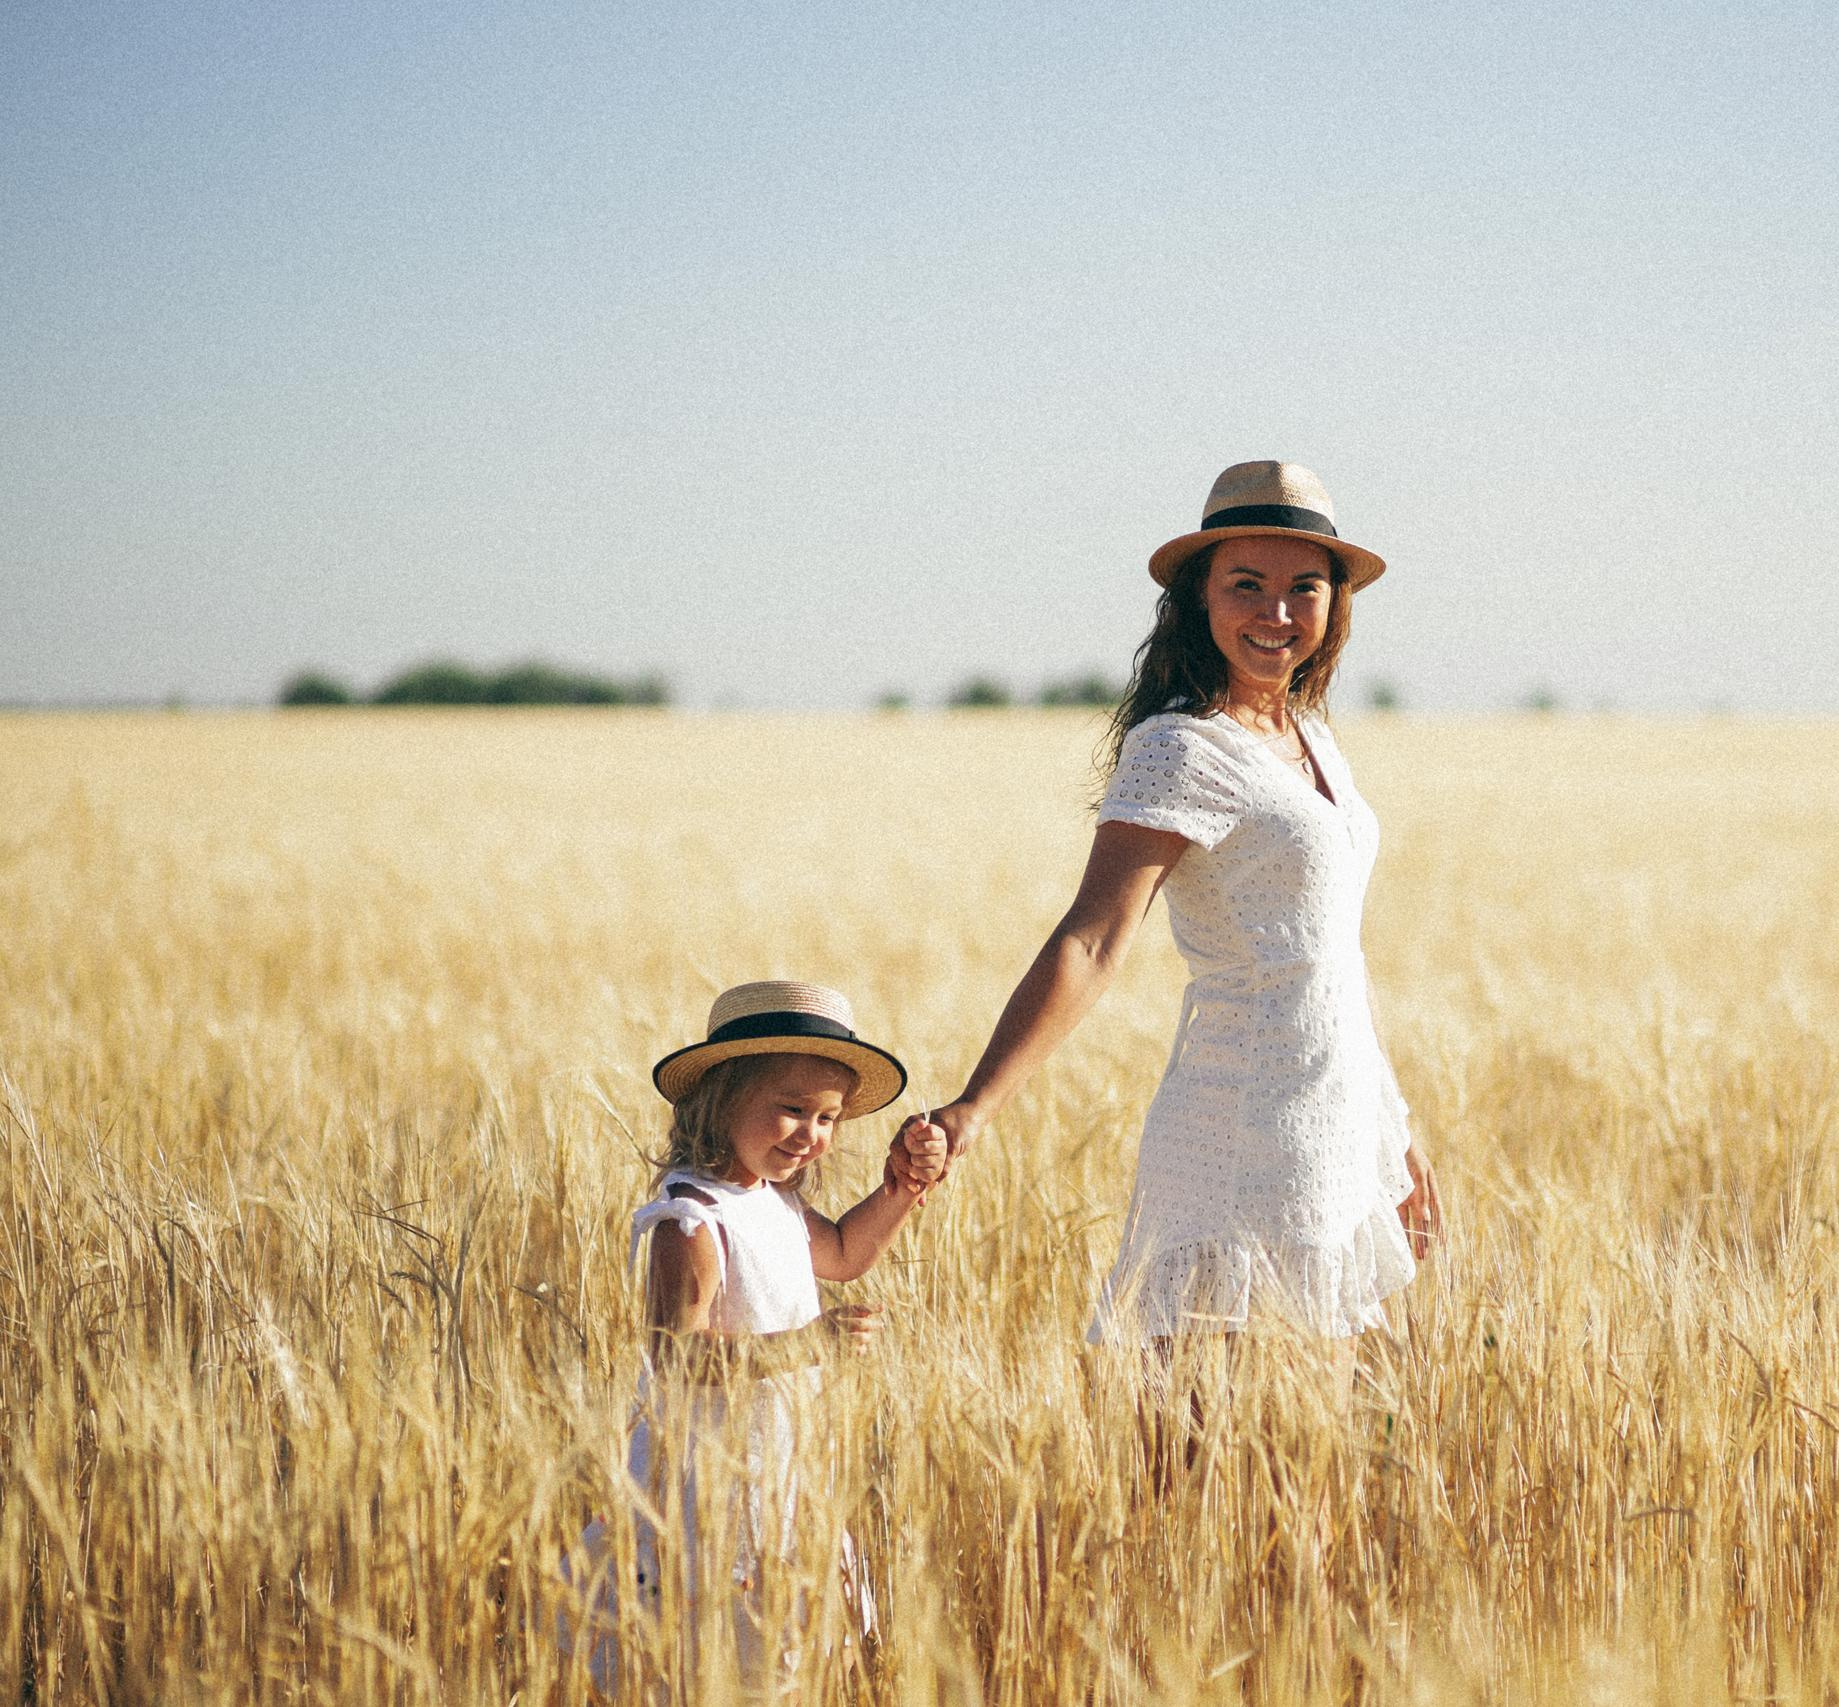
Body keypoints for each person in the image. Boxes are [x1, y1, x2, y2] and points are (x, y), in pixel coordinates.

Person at [894, 460, 1439, 1345]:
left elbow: (1337, 953)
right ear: (1198, 598)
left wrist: (1395, 1129)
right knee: (1203, 1411)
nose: (1275, 612)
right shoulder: (1179, 746)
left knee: (1315, 1418)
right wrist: (974, 1106)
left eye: (1303, 588)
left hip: (1336, 1124)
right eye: (1246, 585)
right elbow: (1093, 940)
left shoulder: (1314, 740)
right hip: (1242, 1124)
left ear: (1335, 603)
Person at [583, 979, 947, 1688]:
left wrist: (903, 1187)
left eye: (828, 1117)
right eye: (793, 1108)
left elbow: (845, 1253)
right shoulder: (692, 1218)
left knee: (796, 1657)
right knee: (707, 1658)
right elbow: (675, 1357)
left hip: (781, 1466)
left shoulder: (774, 1199)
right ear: (721, 1098)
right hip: (709, 1484)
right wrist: (803, 1346)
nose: (812, 1134)